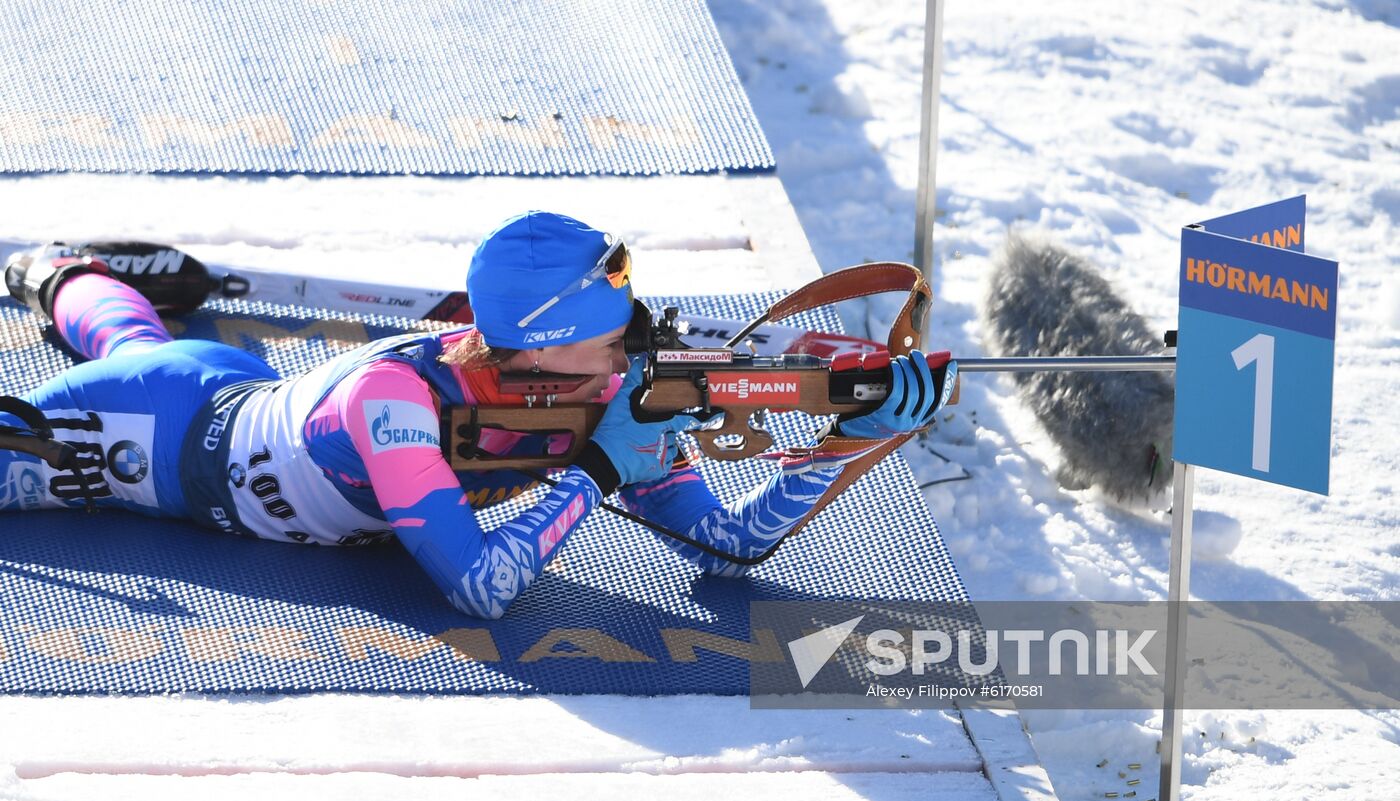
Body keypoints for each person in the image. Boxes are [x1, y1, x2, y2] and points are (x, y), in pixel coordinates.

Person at [0, 212, 956, 619]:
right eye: (608, 335)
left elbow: (731, 543)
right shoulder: (397, 401)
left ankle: (72, 278)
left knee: (137, 340)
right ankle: (59, 277)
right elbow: (480, 587)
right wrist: (603, 471)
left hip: (226, 378)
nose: (633, 349)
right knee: (120, 368)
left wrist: (848, 438)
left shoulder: (593, 392)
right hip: (151, 435)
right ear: (539, 346)